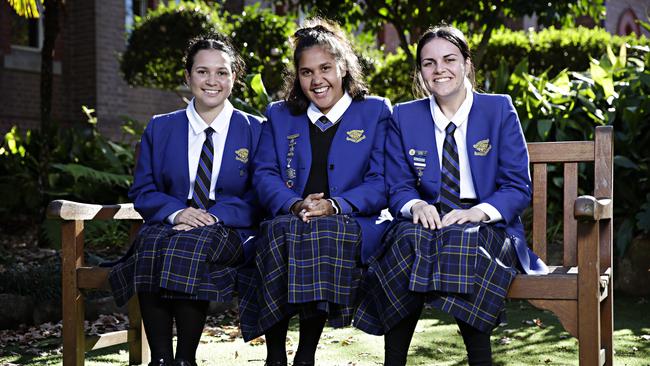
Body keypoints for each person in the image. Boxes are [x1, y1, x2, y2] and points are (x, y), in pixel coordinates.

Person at [353, 25, 549, 366]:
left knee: (461, 241)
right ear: (420, 72)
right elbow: (398, 186)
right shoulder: (404, 116)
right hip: (429, 219)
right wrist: (416, 205)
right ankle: (394, 361)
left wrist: (479, 212)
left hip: (487, 225)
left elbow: (517, 186)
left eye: (449, 59)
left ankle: (479, 360)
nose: (439, 69)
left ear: (467, 64)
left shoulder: (498, 109)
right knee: (406, 240)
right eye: (428, 63)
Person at [236, 18, 392, 366]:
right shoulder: (279, 115)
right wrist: (294, 204)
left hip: (349, 221)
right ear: (297, 76)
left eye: (325, 68)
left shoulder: (375, 111)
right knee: (279, 231)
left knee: (322, 233)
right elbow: (264, 173)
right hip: (291, 216)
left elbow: (382, 181)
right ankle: (275, 354)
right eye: (306, 72)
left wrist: (336, 205)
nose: (317, 80)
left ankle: (305, 354)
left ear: (344, 67)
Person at [108, 33, 262, 366]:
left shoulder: (256, 129)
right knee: (149, 243)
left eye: (222, 72)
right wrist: (177, 213)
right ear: (188, 76)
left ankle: (185, 360)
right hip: (171, 222)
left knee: (190, 243)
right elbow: (144, 189)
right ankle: (161, 360)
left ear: (234, 77)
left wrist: (213, 216)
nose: (212, 81)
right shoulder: (161, 128)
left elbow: (260, 193)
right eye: (202, 72)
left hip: (229, 229)